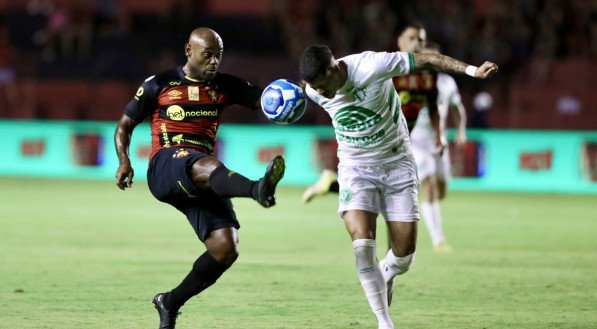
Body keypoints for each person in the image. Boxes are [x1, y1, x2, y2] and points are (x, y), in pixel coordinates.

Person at [298, 45, 497, 328]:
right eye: (315, 89)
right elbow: (296, 89)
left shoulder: (372, 66)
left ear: (333, 69)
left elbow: (428, 59)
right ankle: (384, 322)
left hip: (397, 164)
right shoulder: (313, 88)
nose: (321, 94)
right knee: (362, 243)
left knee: (404, 257)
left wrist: (472, 70)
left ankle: (387, 272)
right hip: (356, 169)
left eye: (323, 87)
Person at [114, 27, 285, 329]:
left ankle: (169, 302)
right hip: (165, 165)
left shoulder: (225, 85)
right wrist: (124, 161)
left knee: (225, 247)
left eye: (219, 55)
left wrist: (294, 95)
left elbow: (267, 100)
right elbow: (125, 125)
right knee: (203, 162)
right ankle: (257, 189)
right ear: (188, 51)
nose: (214, 62)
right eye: (208, 54)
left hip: (199, 177)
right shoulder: (159, 84)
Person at [410, 41, 468, 252]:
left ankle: (418, 200)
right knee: (430, 186)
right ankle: (438, 240)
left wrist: (461, 130)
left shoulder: (447, 83)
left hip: (439, 142)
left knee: (441, 190)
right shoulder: (410, 82)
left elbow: (458, 108)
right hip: (415, 142)